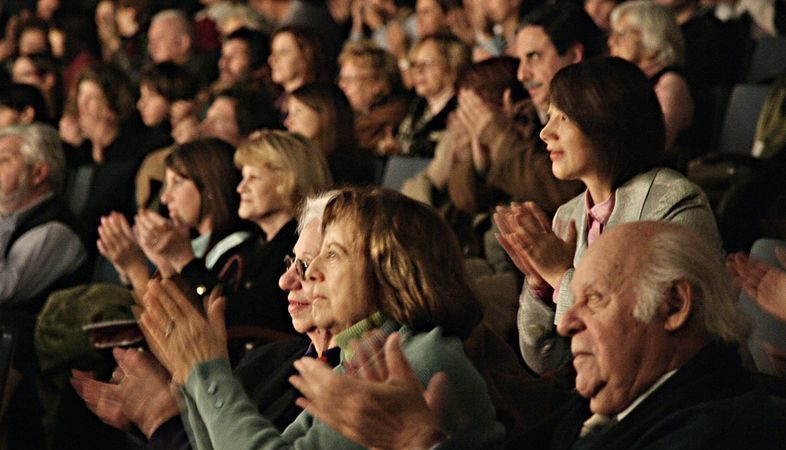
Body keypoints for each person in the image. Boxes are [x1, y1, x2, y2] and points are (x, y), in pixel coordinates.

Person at [293, 222, 777, 450]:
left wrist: (419, 441)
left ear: (673, 307)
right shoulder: (594, 410)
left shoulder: (717, 431)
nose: (565, 322)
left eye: (594, 299)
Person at [137, 187, 505, 450]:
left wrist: (209, 373)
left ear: (391, 269)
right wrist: (192, 377)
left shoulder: (418, 360)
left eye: (333, 254)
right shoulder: (361, 356)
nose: (309, 274)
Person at [495, 57, 721, 375]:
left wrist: (562, 277)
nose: (546, 133)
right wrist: (540, 287)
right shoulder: (566, 215)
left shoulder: (673, 202)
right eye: (548, 117)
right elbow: (544, 359)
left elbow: (650, 335)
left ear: (608, 123)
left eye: (563, 118)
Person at [72, 191, 341, 447]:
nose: (285, 281)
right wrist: (154, 412)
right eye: (290, 263)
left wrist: (164, 418)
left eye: (305, 265)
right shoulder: (267, 360)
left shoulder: (358, 376)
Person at [449, 3, 603, 216]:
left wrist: (500, 139)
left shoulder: (600, 115)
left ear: (574, 55)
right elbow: (466, 201)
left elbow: (568, 194)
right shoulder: (522, 113)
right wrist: (479, 164)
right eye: (520, 60)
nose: (522, 74)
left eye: (534, 57)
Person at [0, 123, 87, 450]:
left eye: (4, 160)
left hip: (24, 371)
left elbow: (4, 289)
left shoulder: (56, 230)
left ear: (38, 172)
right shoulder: (10, 219)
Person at [608, 0, 693, 152]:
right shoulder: (628, 81)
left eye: (621, 34)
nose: (611, 42)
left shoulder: (671, 83)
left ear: (652, 41)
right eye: (611, 34)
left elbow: (655, 143)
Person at [378, 33, 469, 157]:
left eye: (428, 62)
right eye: (415, 64)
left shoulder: (463, 110)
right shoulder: (415, 106)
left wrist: (404, 150)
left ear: (453, 65)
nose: (418, 70)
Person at [285, 83, 377, 185]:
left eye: (298, 111)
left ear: (325, 113)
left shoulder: (354, 169)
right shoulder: (295, 163)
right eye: (289, 113)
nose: (288, 122)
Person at [336, 40, 409, 153]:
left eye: (349, 80)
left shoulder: (393, 122)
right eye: (341, 79)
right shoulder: (348, 122)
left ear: (377, 84)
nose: (341, 86)